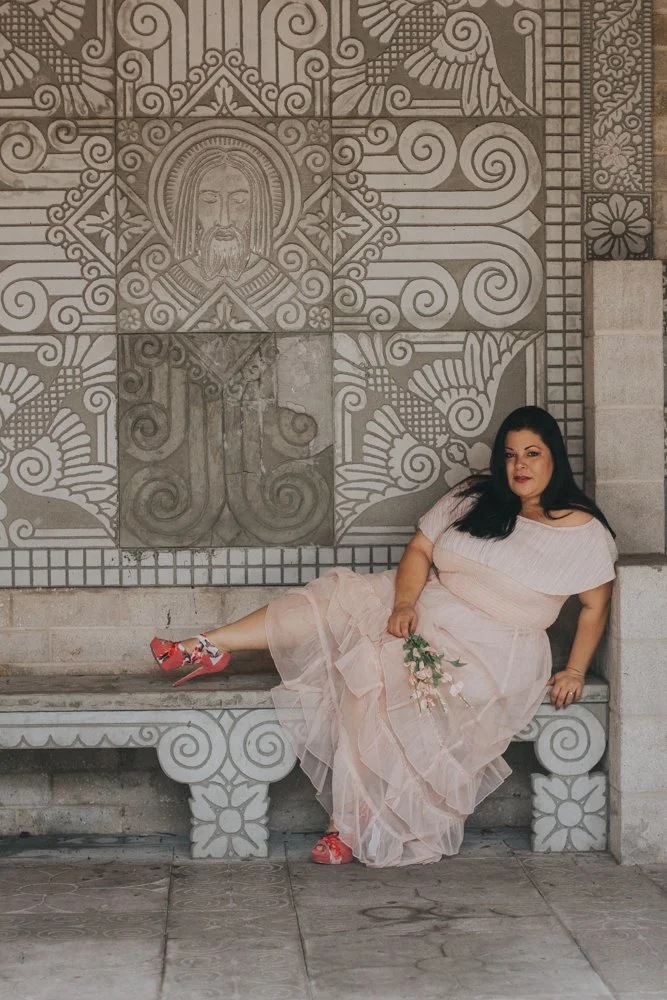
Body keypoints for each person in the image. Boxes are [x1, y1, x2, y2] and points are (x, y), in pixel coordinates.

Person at [150, 406, 617, 868]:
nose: (520, 466)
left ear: (554, 458)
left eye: (532, 454)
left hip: (490, 649)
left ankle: (345, 826)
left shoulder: (583, 532)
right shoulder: (477, 496)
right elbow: (419, 549)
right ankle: (206, 646)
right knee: (337, 596)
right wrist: (404, 604)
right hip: (418, 605)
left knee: (371, 669)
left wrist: (574, 669)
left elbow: (595, 606)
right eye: (512, 454)